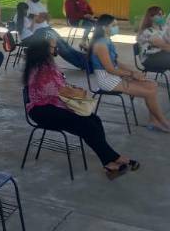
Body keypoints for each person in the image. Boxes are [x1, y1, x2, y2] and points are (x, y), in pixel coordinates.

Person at [23, 38, 138, 178]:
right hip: (42, 111)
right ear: (44, 51)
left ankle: (109, 161)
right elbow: (60, 91)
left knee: (94, 120)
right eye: (53, 48)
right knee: (86, 125)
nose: (56, 50)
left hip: (54, 105)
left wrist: (75, 90)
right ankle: (114, 158)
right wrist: (78, 92)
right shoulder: (42, 70)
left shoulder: (46, 64)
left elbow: (62, 86)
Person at [90, 14, 170, 132]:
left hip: (115, 76)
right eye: (114, 25)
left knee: (152, 85)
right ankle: (163, 122)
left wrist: (134, 71)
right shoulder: (100, 45)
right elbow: (110, 69)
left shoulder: (107, 41)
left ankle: (154, 121)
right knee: (149, 92)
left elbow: (116, 62)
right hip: (107, 80)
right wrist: (131, 75)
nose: (116, 27)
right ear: (104, 27)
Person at [19, 0, 89, 70]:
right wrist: (42, 16)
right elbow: (37, 20)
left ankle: (85, 60)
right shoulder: (26, 5)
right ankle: (83, 65)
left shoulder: (39, 4)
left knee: (65, 45)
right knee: (61, 48)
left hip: (47, 28)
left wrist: (43, 16)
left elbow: (48, 17)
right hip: (39, 32)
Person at [137, 6, 170, 74]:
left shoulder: (161, 29)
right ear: (151, 17)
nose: (162, 17)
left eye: (163, 14)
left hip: (159, 54)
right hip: (149, 58)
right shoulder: (148, 31)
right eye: (159, 15)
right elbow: (164, 46)